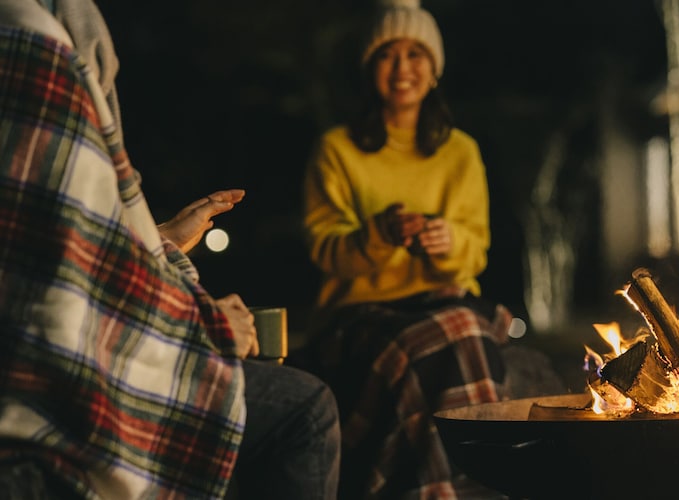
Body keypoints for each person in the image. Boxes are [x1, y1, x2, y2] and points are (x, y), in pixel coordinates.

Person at [0, 0, 339, 498]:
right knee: (304, 410)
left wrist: (163, 239)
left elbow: (69, 243)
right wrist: (209, 325)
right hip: (41, 387)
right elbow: (61, 294)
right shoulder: (35, 47)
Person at [288, 0, 512, 498]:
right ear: (370, 70)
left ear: (434, 69)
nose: (403, 68)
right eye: (388, 55)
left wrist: (448, 240)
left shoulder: (460, 151)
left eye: (416, 54)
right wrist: (380, 234)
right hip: (360, 314)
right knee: (454, 334)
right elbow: (326, 251)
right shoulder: (337, 149)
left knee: (460, 325)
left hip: (443, 302)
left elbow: (475, 253)